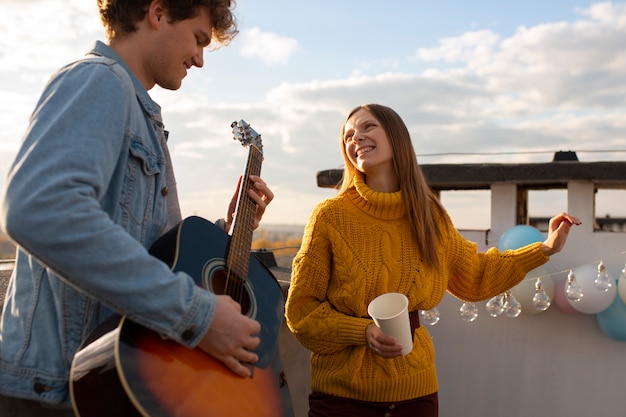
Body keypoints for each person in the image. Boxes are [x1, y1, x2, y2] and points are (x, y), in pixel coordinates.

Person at [0, 1, 281, 416]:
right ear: (158, 12)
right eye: (199, 39)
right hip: (59, 391)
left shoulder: (141, 115)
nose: (201, 60)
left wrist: (231, 227)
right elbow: (41, 209)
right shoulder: (99, 80)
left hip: (106, 386)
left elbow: (158, 256)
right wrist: (199, 315)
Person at [285, 103, 581, 417]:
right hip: (342, 399)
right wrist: (362, 332)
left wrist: (544, 248)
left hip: (416, 394)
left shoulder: (429, 215)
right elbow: (301, 312)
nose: (356, 138)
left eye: (367, 127)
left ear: (396, 136)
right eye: (348, 135)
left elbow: (474, 276)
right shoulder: (329, 217)